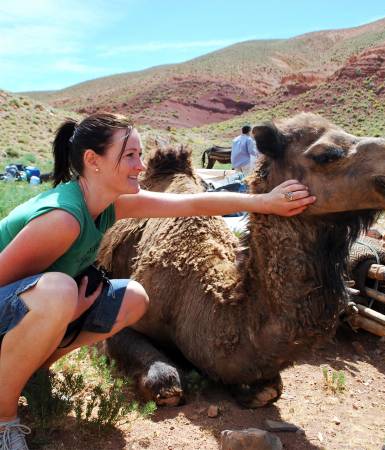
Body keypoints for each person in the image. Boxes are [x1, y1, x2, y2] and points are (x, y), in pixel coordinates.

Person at [0, 113, 315, 449]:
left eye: (140, 154)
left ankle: (29, 373)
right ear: (93, 161)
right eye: (130, 156)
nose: (140, 165)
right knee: (60, 292)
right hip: (26, 303)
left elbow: (189, 203)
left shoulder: (108, 204)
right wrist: (71, 304)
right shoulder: (63, 218)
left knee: (132, 296)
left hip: (34, 306)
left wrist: (264, 202)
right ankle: (4, 420)